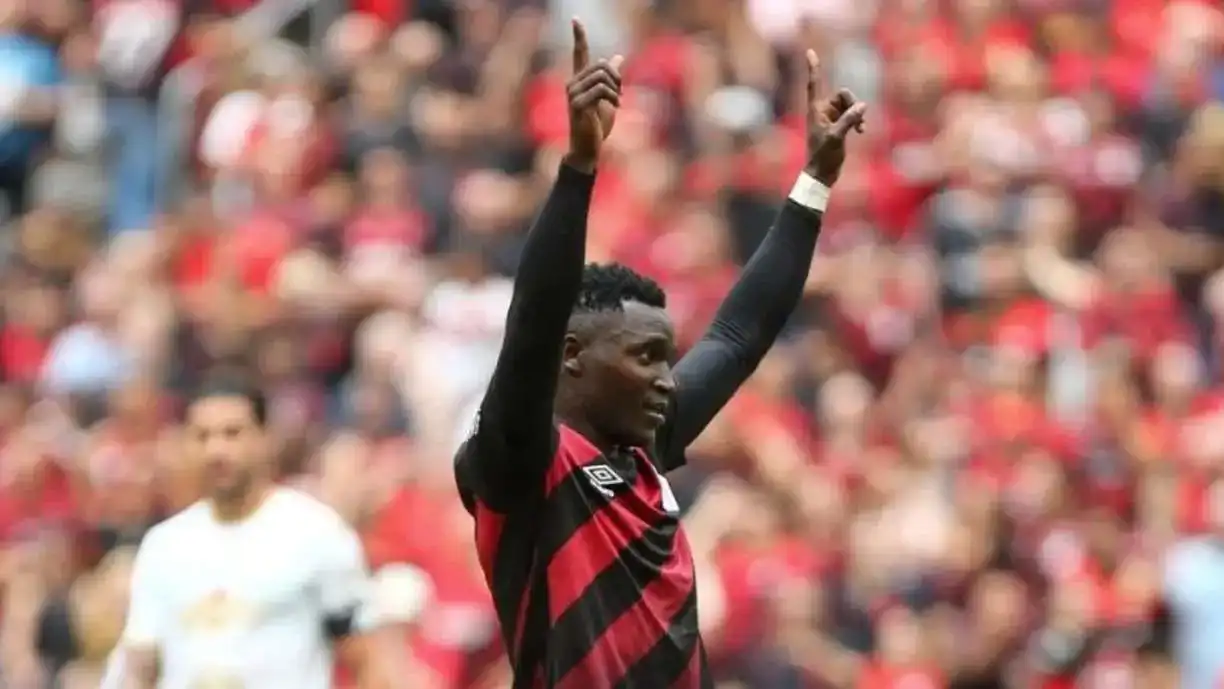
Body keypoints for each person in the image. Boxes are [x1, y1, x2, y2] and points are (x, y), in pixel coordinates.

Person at [454, 18, 867, 689]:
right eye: (643, 356)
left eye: (662, 356)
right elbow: (531, 322)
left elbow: (738, 336)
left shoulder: (645, 445)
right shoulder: (520, 459)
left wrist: (813, 182)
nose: (659, 375)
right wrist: (579, 169)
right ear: (573, 356)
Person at [105, 372, 397, 689]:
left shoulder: (315, 533)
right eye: (202, 436)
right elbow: (140, 665)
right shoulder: (164, 545)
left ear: (264, 438)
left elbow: (366, 661)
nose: (216, 450)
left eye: (232, 433)